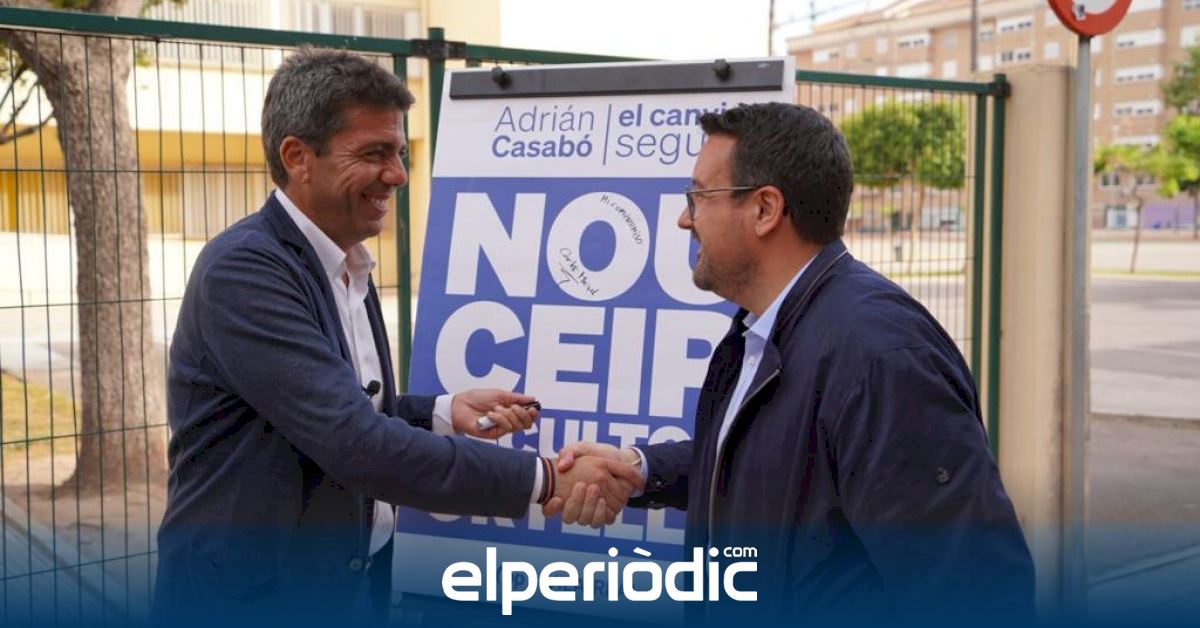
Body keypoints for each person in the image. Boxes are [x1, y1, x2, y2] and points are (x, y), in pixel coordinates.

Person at [153, 47, 641, 623]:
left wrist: (441, 412)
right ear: (297, 157)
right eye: (374, 154)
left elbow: (329, 409)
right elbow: (354, 442)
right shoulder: (245, 271)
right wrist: (547, 477)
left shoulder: (345, 263)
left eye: (400, 153)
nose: (399, 175)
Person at [550, 103, 1036, 622]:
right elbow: (780, 469)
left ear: (765, 209)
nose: (685, 218)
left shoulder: (879, 356)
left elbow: (977, 590)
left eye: (699, 196)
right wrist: (640, 470)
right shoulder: (768, 328)